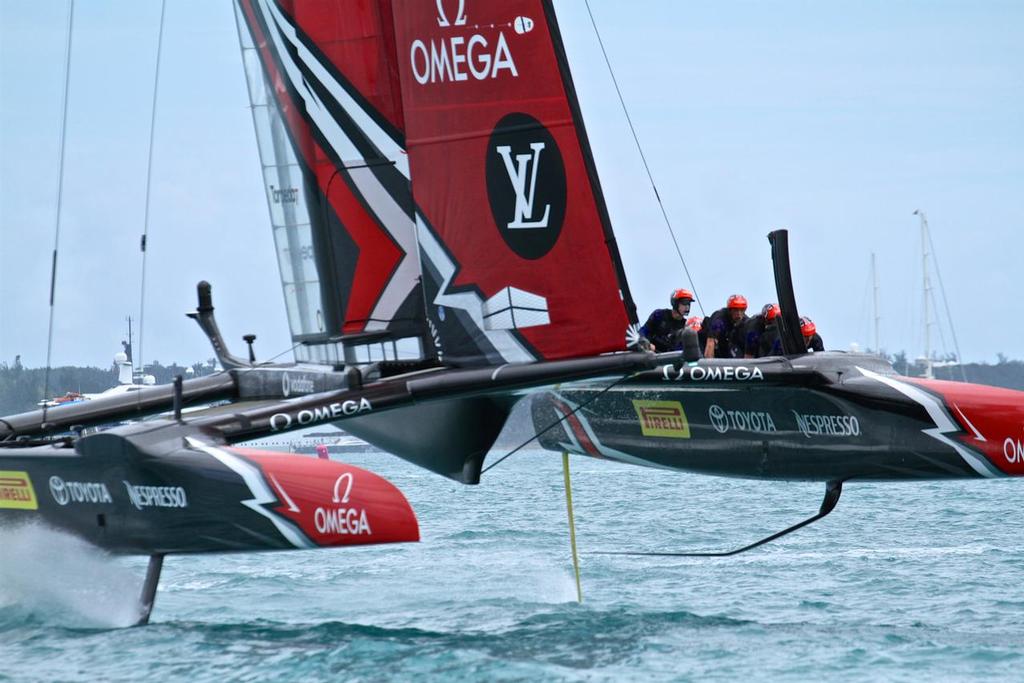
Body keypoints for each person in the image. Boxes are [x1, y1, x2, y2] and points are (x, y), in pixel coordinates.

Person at [704, 294, 749, 358]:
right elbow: (710, 342)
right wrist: (709, 365)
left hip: (729, 346)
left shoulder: (746, 321)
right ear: (730, 310)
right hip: (710, 344)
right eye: (736, 310)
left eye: (742, 310)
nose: (739, 314)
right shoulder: (719, 320)